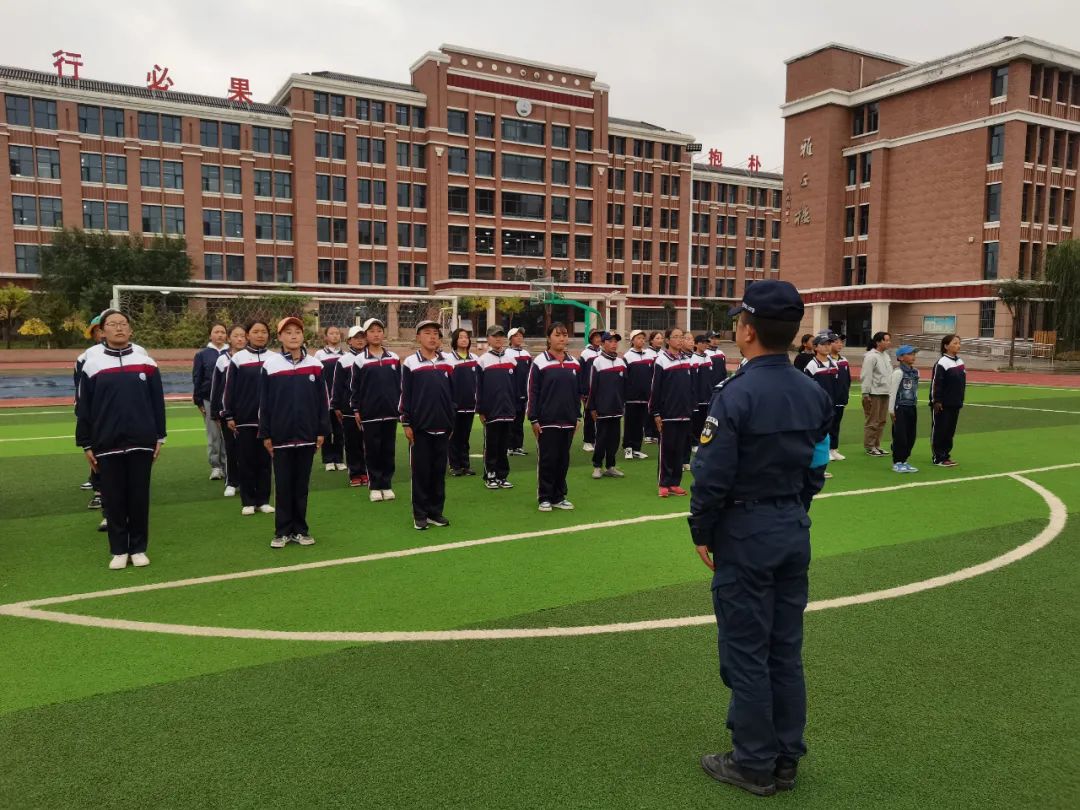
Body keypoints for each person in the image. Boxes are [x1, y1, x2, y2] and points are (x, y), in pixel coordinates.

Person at [689, 280, 833, 798]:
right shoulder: (812, 390)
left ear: (748, 331)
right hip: (792, 527)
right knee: (784, 649)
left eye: (737, 322)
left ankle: (752, 762)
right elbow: (818, 465)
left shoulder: (736, 393)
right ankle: (786, 757)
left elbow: (710, 476)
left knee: (746, 652)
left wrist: (701, 531)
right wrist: (794, 507)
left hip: (746, 532)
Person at [75, 309, 167, 570]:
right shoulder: (92, 364)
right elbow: (85, 408)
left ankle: (138, 548)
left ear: (130, 330)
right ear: (102, 331)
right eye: (112, 324)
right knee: (113, 498)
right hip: (106, 443)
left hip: (142, 440)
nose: (118, 328)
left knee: (139, 497)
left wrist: (159, 436)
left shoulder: (147, 363)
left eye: (123, 324)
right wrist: (86, 443)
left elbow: (156, 404)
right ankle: (118, 549)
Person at [259, 317, 329, 548]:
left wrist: (321, 430)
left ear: (302, 336)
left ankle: (301, 529)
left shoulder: (315, 365)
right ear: (279, 337)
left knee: (301, 486)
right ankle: (282, 531)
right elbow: (265, 404)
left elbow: (322, 402)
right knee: (283, 485)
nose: (293, 336)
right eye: (287, 332)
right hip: (281, 437)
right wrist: (266, 434)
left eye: (297, 331)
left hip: (308, 436)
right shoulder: (271, 365)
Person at [401, 321, 456, 530]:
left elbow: (453, 395)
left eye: (435, 333)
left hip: (443, 427)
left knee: (438, 472)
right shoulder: (410, 363)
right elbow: (405, 395)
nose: (432, 337)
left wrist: (451, 422)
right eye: (427, 333)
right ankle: (420, 514)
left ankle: (435, 512)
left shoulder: (448, 362)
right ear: (418, 337)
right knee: (421, 472)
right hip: (420, 429)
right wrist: (406, 422)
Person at [222, 320, 274, 516]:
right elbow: (229, 390)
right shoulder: (238, 359)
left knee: (265, 462)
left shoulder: (274, 358)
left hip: (268, 422)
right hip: (244, 419)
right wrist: (228, 414)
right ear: (248, 335)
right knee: (246, 461)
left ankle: (263, 500)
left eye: (264, 331)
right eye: (256, 331)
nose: (260, 335)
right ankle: (248, 501)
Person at [528, 322, 581, 511]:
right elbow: (532, 392)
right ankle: (545, 496)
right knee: (548, 460)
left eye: (565, 335)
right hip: (546, 421)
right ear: (549, 338)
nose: (562, 338)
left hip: (568, 420)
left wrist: (578, 417)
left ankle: (559, 496)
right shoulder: (540, 362)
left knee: (563, 460)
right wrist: (533, 418)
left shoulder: (574, 363)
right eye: (557, 335)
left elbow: (577, 393)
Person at [349, 318, 401, 502]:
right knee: (372, 450)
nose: (376, 334)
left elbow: (399, 385)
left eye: (379, 330)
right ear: (366, 335)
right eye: (372, 331)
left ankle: (386, 484)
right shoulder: (360, 360)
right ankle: (374, 485)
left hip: (390, 412)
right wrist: (356, 409)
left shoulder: (394, 358)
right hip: (369, 413)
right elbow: (355, 387)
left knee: (388, 450)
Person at [649, 328, 694, 497]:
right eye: (676, 337)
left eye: (681, 337)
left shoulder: (687, 359)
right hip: (668, 414)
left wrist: (690, 408)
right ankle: (663, 483)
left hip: (685, 413)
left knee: (680, 450)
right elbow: (655, 389)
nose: (680, 340)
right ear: (668, 340)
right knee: (667, 449)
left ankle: (675, 482)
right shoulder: (661, 360)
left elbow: (690, 388)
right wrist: (656, 413)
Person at [476, 325, 517, 490]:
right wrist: (481, 410)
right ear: (488, 339)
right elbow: (478, 388)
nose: (498, 339)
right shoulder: (483, 360)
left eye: (500, 336)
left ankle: (502, 475)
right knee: (491, 444)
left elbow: (514, 386)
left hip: (508, 410)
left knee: (504, 445)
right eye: (494, 336)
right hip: (491, 411)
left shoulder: (511, 360)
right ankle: (490, 475)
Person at [209, 324, 247, 497]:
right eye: (236, 336)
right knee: (231, 448)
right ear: (229, 339)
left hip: (249, 412)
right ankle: (232, 481)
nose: (240, 339)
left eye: (242, 336)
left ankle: (250, 481)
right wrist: (216, 412)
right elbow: (216, 388)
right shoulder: (222, 360)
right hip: (228, 413)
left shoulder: (252, 358)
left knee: (250, 449)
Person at [586, 331, 627, 479]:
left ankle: (610, 466)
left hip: (617, 408)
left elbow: (625, 386)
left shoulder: (621, 362)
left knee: (614, 440)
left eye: (616, 341)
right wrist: (592, 407)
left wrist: (623, 404)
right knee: (601, 438)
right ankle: (597, 466)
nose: (614, 344)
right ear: (602, 344)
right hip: (602, 409)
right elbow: (592, 387)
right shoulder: (597, 362)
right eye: (610, 341)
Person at [332, 325, 368, 487]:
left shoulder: (371, 357)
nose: (360, 340)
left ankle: (366, 472)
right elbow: (337, 385)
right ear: (349, 341)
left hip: (368, 409)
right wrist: (336, 406)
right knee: (352, 442)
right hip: (348, 410)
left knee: (367, 443)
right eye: (356, 338)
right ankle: (355, 473)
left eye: (362, 337)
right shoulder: (343, 360)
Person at [192, 323, 229, 481]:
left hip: (229, 401)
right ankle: (216, 466)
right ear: (210, 335)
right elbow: (197, 378)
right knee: (214, 435)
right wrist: (199, 401)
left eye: (223, 332)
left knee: (228, 434)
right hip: (209, 399)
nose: (220, 335)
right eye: (216, 332)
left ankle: (230, 465)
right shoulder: (202, 355)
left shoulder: (233, 353)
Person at [802, 335, 840, 479]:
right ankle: (811, 467)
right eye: (823, 344)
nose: (827, 347)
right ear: (816, 347)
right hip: (816, 407)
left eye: (829, 344)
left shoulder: (833, 364)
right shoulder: (812, 365)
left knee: (826, 437)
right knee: (815, 437)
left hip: (830, 406)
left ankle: (821, 468)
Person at [929, 334, 966, 467]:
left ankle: (946, 455)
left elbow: (961, 384)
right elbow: (936, 384)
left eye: (959, 343)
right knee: (940, 430)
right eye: (955, 343)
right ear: (946, 346)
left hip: (955, 404)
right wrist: (937, 401)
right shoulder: (941, 363)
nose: (958, 345)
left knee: (950, 431)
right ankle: (938, 457)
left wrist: (960, 400)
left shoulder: (960, 362)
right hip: (942, 405)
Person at [447, 328, 479, 477]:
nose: (464, 340)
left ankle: (465, 465)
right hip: (455, 406)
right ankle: (454, 466)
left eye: (466, 337)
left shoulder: (475, 359)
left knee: (465, 436)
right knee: (454, 436)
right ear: (455, 340)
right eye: (461, 337)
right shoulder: (449, 359)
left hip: (470, 405)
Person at [314, 325, 346, 472]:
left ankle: (339, 459)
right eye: (331, 333)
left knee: (339, 431)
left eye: (337, 333)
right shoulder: (319, 355)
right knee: (326, 430)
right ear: (326, 337)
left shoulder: (344, 355)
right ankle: (328, 460)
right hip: (325, 399)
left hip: (339, 401)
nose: (334, 336)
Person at [622, 329, 655, 460]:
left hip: (645, 398)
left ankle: (636, 448)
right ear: (632, 340)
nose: (641, 340)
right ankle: (627, 448)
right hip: (631, 398)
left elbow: (653, 376)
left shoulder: (649, 356)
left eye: (642, 338)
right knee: (630, 424)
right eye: (638, 338)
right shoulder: (627, 356)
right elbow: (625, 378)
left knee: (640, 424)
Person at [860, 331, 892, 456]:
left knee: (882, 420)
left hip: (885, 392)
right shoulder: (871, 356)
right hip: (874, 393)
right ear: (878, 342)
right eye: (886, 340)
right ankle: (870, 446)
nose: (889, 342)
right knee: (873, 421)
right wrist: (865, 393)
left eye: (889, 340)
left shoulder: (886, 355)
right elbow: (866, 375)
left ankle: (877, 445)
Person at [889, 344, 920, 473]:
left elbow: (915, 390)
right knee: (900, 436)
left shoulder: (915, 372)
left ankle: (905, 460)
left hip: (911, 407)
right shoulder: (898, 372)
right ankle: (897, 462)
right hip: (900, 407)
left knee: (910, 435)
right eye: (910, 354)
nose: (913, 356)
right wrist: (892, 411)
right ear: (900, 357)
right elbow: (892, 392)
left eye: (914, 354)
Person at [506, 327, 531, 456]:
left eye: (521, 335)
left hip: (524, 393)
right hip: (512, 394)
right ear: (510, 339)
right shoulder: (507, 354)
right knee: (511, 420)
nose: (519, 337)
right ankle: (509, 446)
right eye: (516, 336)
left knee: (520, 421)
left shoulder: (526, 354)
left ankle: (518, 446)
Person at [578, 329, 603, 453]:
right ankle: (587, 441)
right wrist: (583, 391)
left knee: (600, 415)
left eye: (600, 336)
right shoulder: (585, 354)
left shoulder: (603, 352)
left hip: (601, 391)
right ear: (591, 338)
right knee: (588, 415)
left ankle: (596, 438)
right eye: (596, 336)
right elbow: (581, 373)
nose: (598, 339)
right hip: (589, 391)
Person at [688, 335, 713, 459]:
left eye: (706, 343)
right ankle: (694, 442)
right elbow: (693, 381)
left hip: (708, 396)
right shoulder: (693, 358)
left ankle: (703, 442)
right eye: (702, 343)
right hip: (697, 397)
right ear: (696, 344)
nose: (704, 345)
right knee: (696, 421)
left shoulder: (708, 357)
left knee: (706, 421)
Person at [828, 334, 850, 461]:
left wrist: (845, 395)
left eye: (841, 342)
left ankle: (834, 449)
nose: (840, 344)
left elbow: (847, 380)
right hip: (829, 399)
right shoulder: (825, 361)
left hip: (840, 399)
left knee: (836, 425)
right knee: (828, 425)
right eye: (836, 342)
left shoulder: (844, 360)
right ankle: (826, 450)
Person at [643, 331, 666, 444]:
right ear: (651, 340)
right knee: (649, 409)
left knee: (658, 409)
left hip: (661, 386)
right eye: (657, 338)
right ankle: (648, 433)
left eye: (661, 338)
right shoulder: (646, 353)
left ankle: (657, 433)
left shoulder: (663, 353)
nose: (660, 340)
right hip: (649, 385)